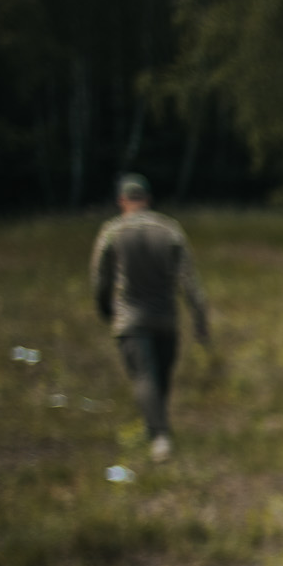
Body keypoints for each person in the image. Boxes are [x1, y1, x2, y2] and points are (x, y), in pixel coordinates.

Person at [90, 173, 210, 462]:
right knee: (161, 376)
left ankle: (158, 435)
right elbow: (189, 280)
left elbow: (99, 278)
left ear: (122, 201)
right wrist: (199, 316)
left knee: (145, 376)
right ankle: (158, 430)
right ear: (148, 199)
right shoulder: (169, 230)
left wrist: (104, 308)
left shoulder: (112, 232)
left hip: (130, 319)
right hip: (165, 318)